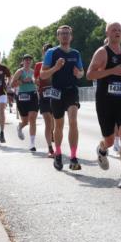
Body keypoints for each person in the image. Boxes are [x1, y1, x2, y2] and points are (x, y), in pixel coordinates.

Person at [87, 22, 121, 188]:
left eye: (119, 30)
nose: (117, 32)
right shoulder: (102, 52)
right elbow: (89, 74)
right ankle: (102, 149)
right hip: (105, 101)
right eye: (113, 30)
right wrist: (111, 71)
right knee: (109, 140)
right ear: (107, 33)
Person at [40, 25, 85, 171]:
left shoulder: (76, 53)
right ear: (58, 36)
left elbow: (81, 73)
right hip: (57, 91)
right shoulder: (51, 53)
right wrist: (55, 68)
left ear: (71, 37)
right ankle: (58, 154)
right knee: (58, 125)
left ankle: (73, 157)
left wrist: (78, 73)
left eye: (67, 33)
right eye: (62, 34)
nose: (65, 36)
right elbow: (43, 75)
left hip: (71, 91)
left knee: (73, 121)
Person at [11, 55, 40, 151]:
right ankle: (20, 127)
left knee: (32, 119)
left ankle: (32, 144)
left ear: (31, 62)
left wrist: (36, 81)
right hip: (22, 96)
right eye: (26, 60)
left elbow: (39, 83)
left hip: (33, 95)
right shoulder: (20, 71)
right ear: (23, 61)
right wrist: (23, 81)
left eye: (29, 60)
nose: (28, 61)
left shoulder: (34, 72)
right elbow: (12, 84)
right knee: (25, 121)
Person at [35, 43, 56, 156]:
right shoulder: (39, 65)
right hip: (44, 96)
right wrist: (38, 80)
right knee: (48, 122)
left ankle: (52, 135)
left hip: (56, 97)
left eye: (50, 51)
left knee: (54, 124)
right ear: (43, 53)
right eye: (46, 51)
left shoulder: (57, 64)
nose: (48, 52)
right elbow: (36, 80)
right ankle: (50, 148)